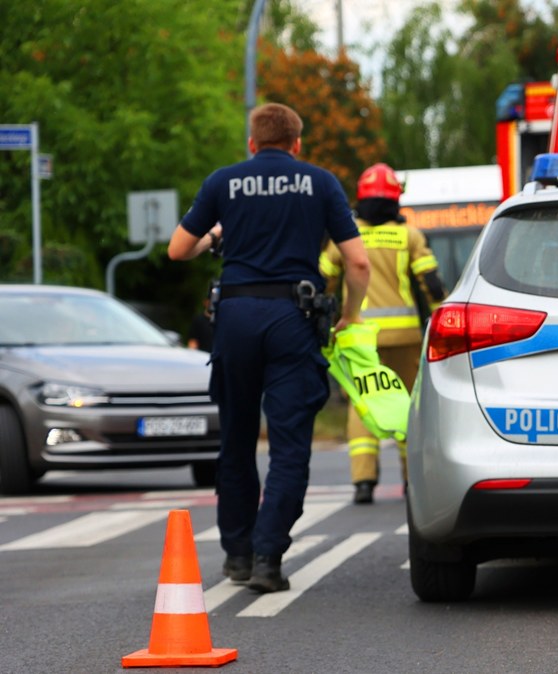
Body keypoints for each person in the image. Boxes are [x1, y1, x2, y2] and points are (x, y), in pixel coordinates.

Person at [168, 103, 370, 593]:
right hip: (292, 320)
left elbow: (178, 249)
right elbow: (358, 264)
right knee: (288, 445)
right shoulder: (320, 183)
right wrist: (350, 314)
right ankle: (267, 558)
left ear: (252, 144)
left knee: (236, 439)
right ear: (298, 143)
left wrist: (218, 233)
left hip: (235, 319)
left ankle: (236, 553)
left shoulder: (224, 182)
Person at [320, 162, 445, 504]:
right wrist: (442, 324)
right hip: (404, 336)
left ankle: (363, 481)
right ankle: (410, 479)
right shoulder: (409, 236)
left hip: (359, 337)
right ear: (395, 200)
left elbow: (322, 277)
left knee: (363, 403)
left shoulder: (346, 236)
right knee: (406, 403)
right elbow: (431, 285)